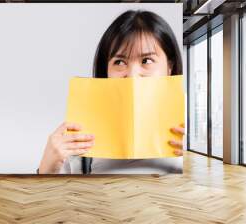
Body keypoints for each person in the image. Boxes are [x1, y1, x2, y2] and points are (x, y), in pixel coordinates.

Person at [38, 10, 184, 174]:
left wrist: (194, 163)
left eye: (146, 60)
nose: (132, 76)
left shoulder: (190, 133)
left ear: (169, 67)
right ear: (105, 70)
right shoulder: (83, 133)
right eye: (120, 62)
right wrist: (46, 169)